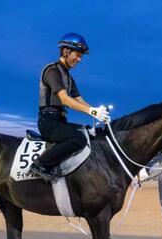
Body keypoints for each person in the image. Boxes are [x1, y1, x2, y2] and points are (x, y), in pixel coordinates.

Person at [30, 33, 111, 180]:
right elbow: (65, 99)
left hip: (60, 121)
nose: (79, 60)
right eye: (77, 55)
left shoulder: (68, 77)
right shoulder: (52, 71)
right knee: (78, 139)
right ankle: (41, 164)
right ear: (65, 51)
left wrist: (96, 111)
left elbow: (79, 100)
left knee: (87, 132)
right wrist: (91, 111)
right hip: (48, 122)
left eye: (81, 56)